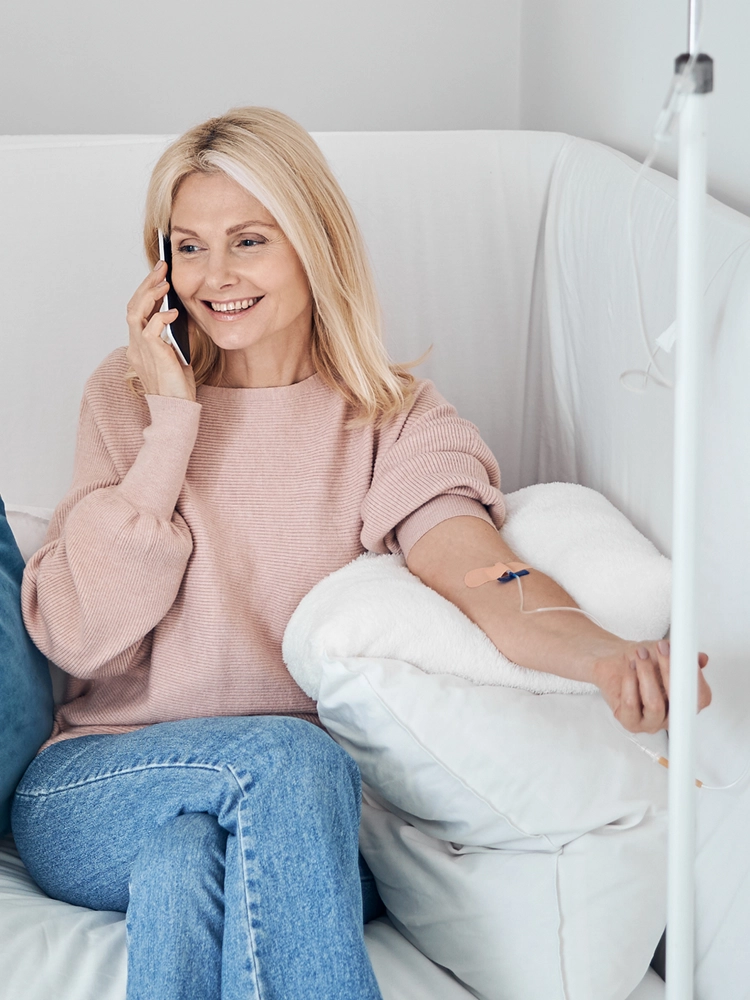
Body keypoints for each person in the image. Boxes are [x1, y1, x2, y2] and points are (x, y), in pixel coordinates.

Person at [11, 107, 711, 1000]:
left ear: (314, 245)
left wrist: (606, 655)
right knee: (287, 764)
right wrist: (171, 426)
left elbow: (481, 575)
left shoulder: (393, 422)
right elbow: (75, 634)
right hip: (98, 786)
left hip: (306, 823)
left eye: (248, 241)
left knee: (187, 868)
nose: (213, 277)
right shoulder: (129, 396)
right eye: (189, 248)